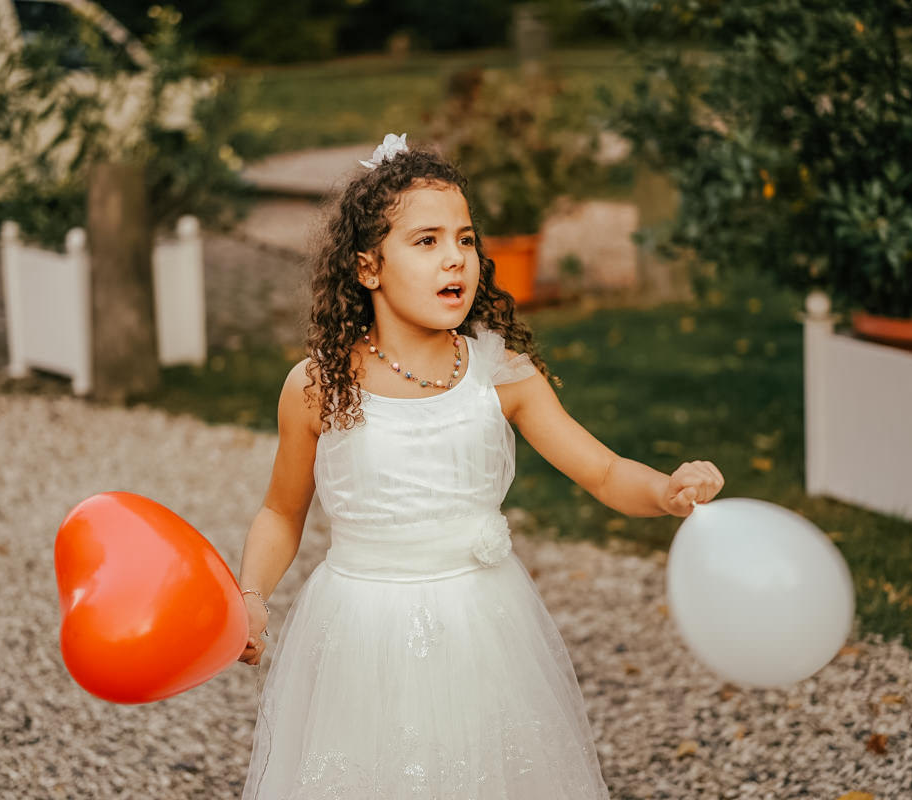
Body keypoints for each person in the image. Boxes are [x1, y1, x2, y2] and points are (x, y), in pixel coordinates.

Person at [236, 134, 724, 798]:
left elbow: (604, 472)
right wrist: (251, 595)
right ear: (368, 267)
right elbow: (280, 512)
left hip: (480, 626)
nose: (455, 260)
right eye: (427, 241)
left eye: (465, 240)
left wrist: (666, 491)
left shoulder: (499, 373)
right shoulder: (319, 386)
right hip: (360, 628)